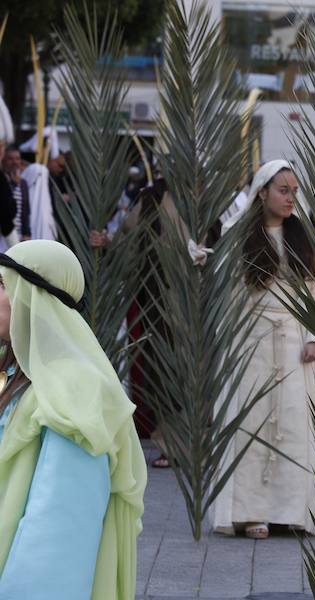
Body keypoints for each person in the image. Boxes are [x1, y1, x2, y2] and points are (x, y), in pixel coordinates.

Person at [0, 240, 146, 599]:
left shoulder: (76, 391)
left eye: (1, 284)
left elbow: (56, 539)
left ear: (32, 297)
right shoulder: (21, 376)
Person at [212, 160, 315, 539]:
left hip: (294, 342)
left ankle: (289, 510)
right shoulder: (238, 237)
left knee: (294, 424)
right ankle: (251, 512)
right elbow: (226, 295)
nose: (290, 197)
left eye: (294, 190)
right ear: (262, 192)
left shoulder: (303, 239)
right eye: (282, 189)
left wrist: (314, 336)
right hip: (252, 342)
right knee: (252, 422)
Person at [2, 145, 31, 242]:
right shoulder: (3, 180)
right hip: (5, 232)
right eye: (10, 159)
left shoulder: (23, 183)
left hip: (18, 234)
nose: (14, 162)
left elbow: (25, 209)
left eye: (17, 159)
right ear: (3, 160)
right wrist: (13, 185)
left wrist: (26, 233)